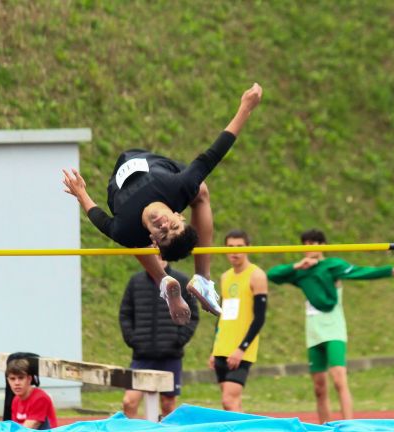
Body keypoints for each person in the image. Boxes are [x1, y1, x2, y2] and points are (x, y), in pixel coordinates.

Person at [63, 83, 263, 325]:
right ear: (180, 216)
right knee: (201, 190)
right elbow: (214, 153)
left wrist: (81, 193)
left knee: (133, 240)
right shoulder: (179, 187)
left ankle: (166, 279)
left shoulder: (127, 229)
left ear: (155, 240)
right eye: (173, 226)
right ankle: (199, 277)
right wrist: (245, 109)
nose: (164, 224)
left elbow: (99, 218)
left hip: (119, 191)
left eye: (163, 233)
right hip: (157, 168)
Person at [266, 229, 394, 423]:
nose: (308, 248)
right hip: (313, 332)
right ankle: (325, 427)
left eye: (313, 243)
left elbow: (361, 272)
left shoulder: (332, 266)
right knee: (319, 387)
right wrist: (297, 266)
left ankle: (348, 425)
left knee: (339, 379)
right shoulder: (301, 271)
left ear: (323, 246)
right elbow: (272, 275)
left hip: (334, 330)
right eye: (304, 244)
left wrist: (388, 271)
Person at [119, 256, 199, 418]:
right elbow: (125, 313)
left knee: (168, 405)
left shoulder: (181, 281)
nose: (156, 258)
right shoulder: (136, 282)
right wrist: (132, 339)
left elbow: (193, 315)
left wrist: (179, 340)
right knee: (129, 401)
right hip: (142, 356)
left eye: (159, 253)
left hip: (170, 355)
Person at [209, 230, 268, 412]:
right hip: (222, 347)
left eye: (240, 247)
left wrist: (242, 349)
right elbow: (223, 315)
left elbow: (260, 318)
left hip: (241, 349)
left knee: (229, 400)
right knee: (230, 405)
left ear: (248, 248)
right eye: (231, 247)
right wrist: (214, 348)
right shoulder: (225, 277)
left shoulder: (256, 276)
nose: (235, 252)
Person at [6, 358, 58, 429]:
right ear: (8, 380)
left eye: (21, 378)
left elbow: (27, 430)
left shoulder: (40, 398)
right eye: (12, 379)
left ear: (29, 379)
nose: (16, 383)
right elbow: (15, 428)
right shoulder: (15, 400)